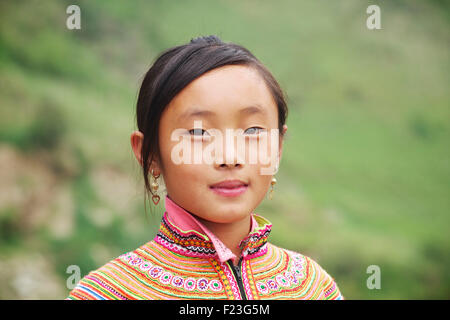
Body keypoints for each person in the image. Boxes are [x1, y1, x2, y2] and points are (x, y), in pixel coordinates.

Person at [67, 35, 343, 300]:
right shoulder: (107, 293)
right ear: (150, 153)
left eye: (253, 130)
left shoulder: (312, 287)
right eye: (199, 133)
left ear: (278, 146)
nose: (230, 156)